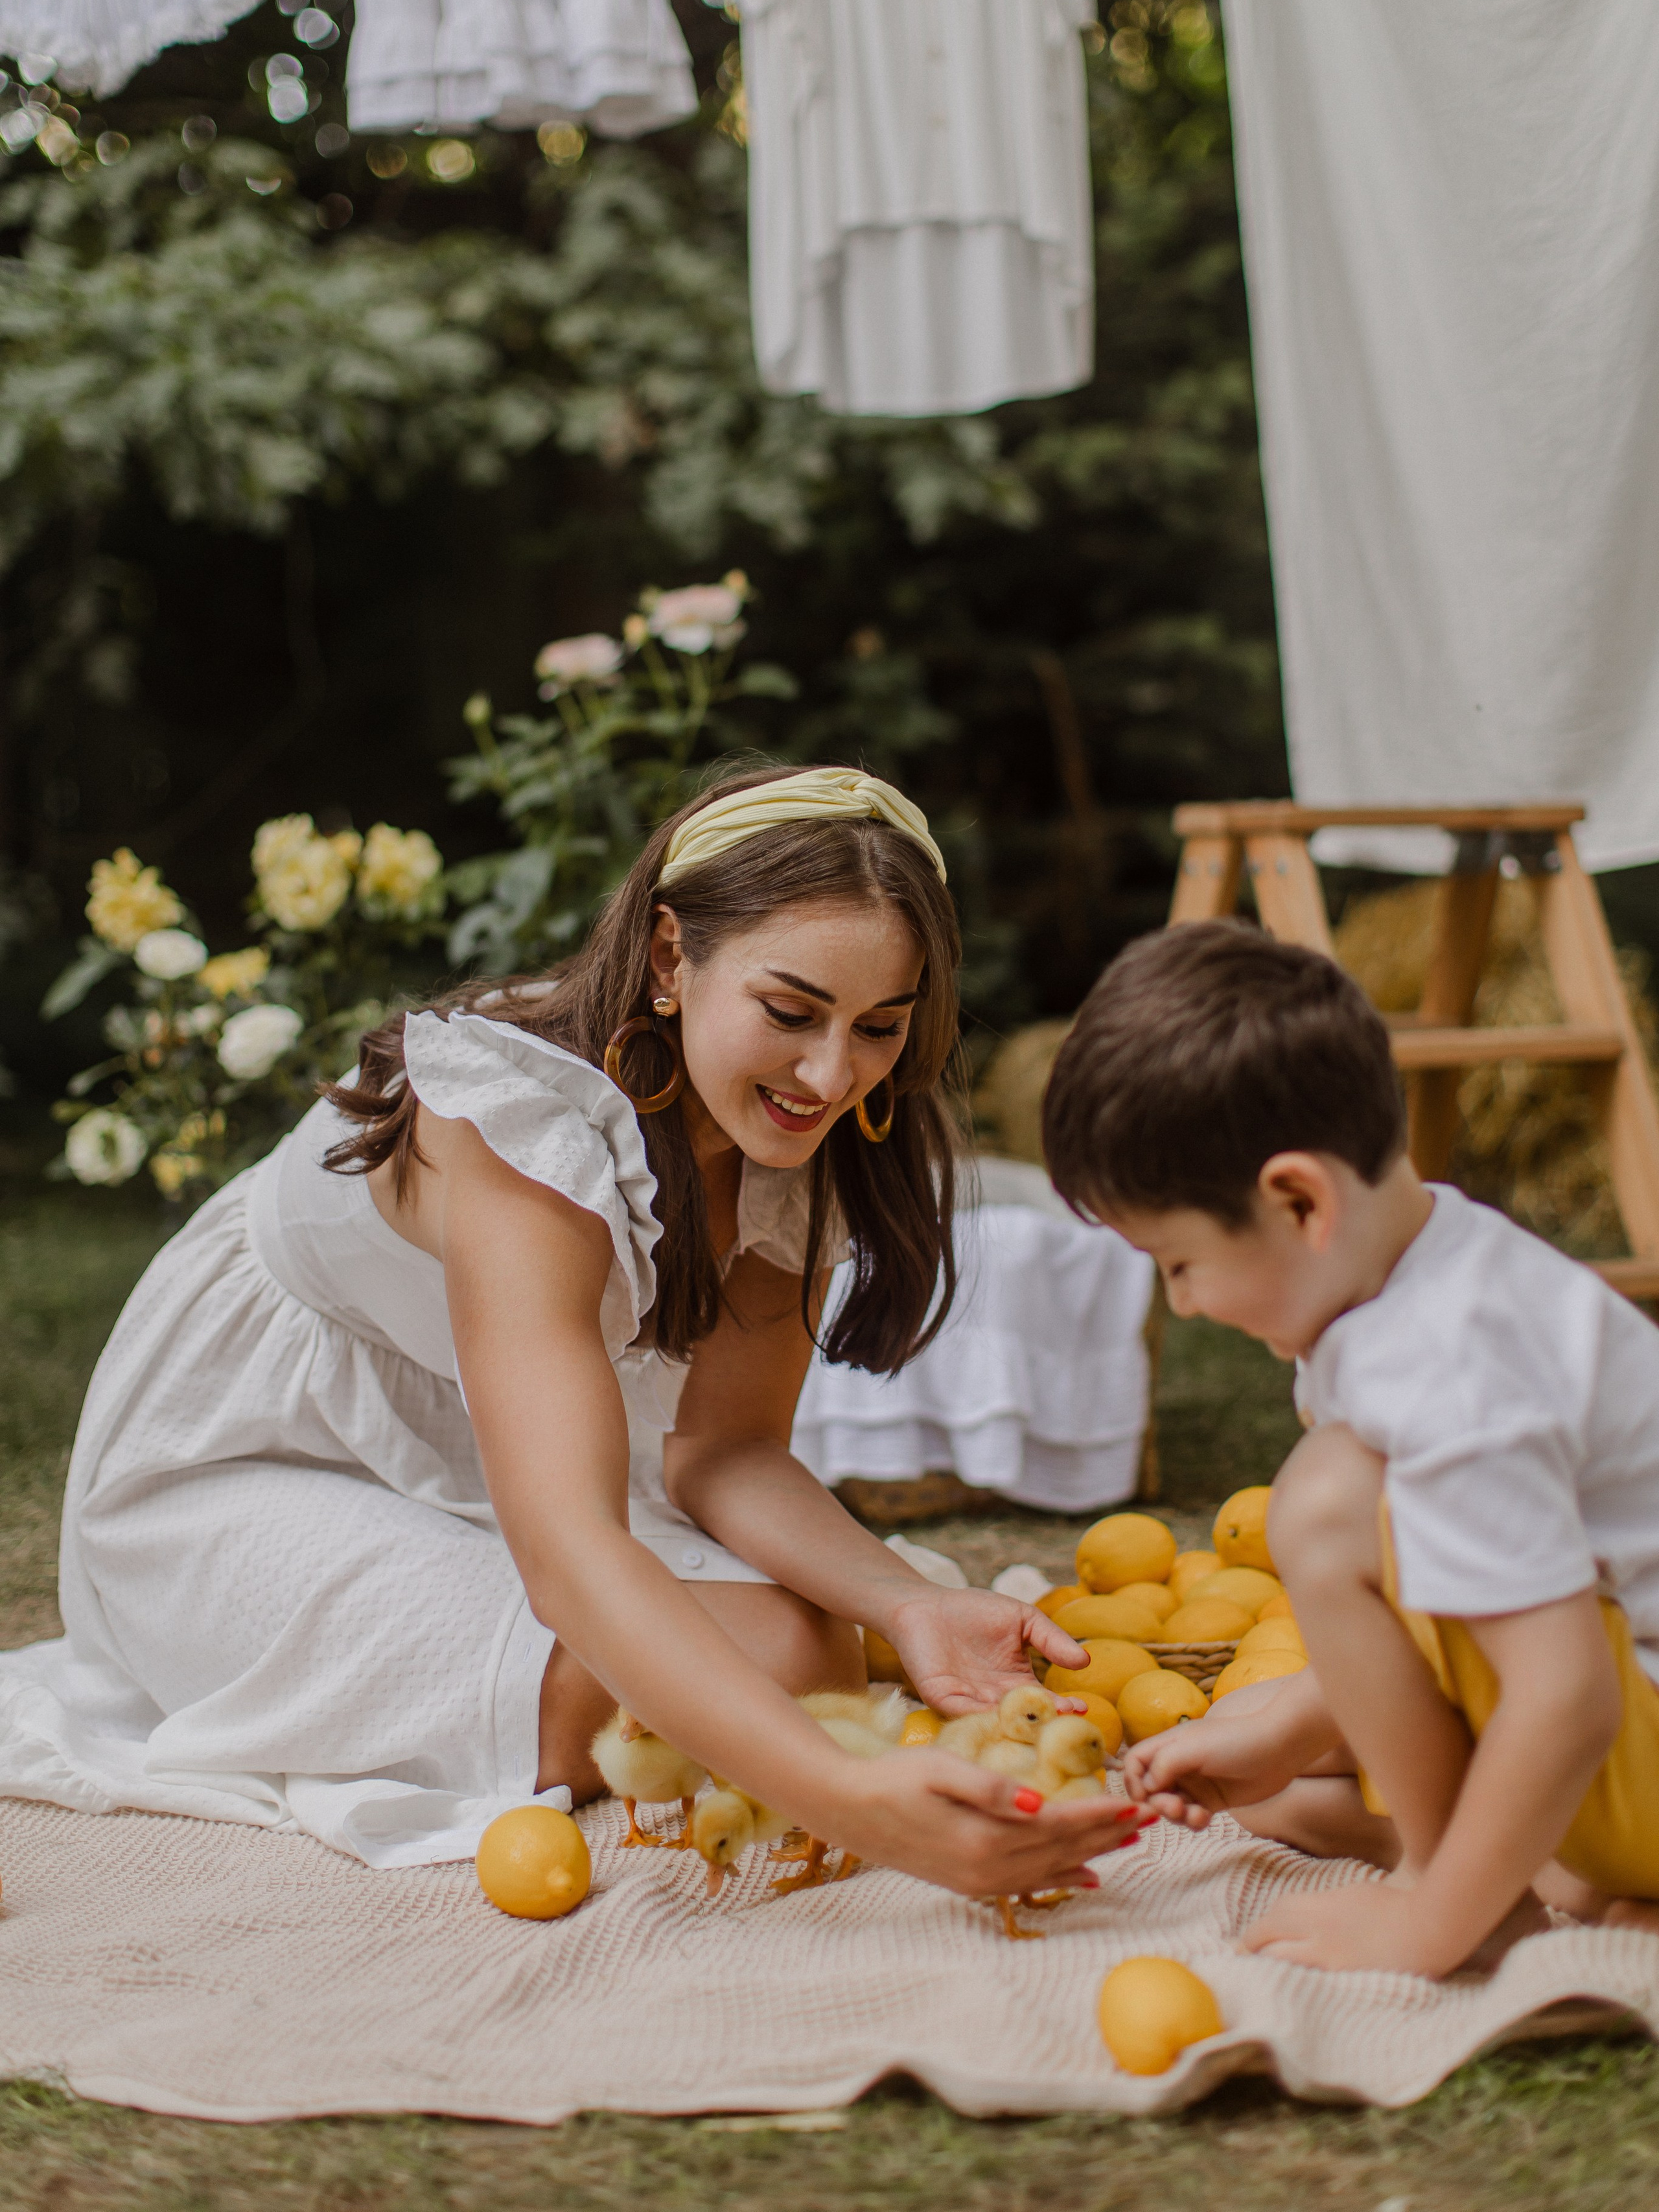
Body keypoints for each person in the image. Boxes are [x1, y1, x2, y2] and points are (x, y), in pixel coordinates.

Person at [0, 764, 1135, 1904]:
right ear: (669, 958)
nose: (831, 1074)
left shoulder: (790, 1145)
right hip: (244, 1470)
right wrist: (843, 1795)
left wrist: (908, 1601)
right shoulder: (515, 1123)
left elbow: (724, 1451)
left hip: (474, 1471)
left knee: (810, 1649)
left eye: (878, 1027)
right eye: (790, 1013)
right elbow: (571, 1554)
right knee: (768, 1671)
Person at [1041, 916, 1659, 1976]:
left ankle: (1467, 1893)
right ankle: (1516, 1868)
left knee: (1325, 1504)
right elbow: (1460, 1590)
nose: (1182, 1306)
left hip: (1620, 1734)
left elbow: (1565, 1697)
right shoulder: (1423, 1269)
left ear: (1299, 1202)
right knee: (1287, 1771)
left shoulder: (1444, 1364)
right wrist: (1289, 1730)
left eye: (1179, 1263)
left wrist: (1430, 1929)